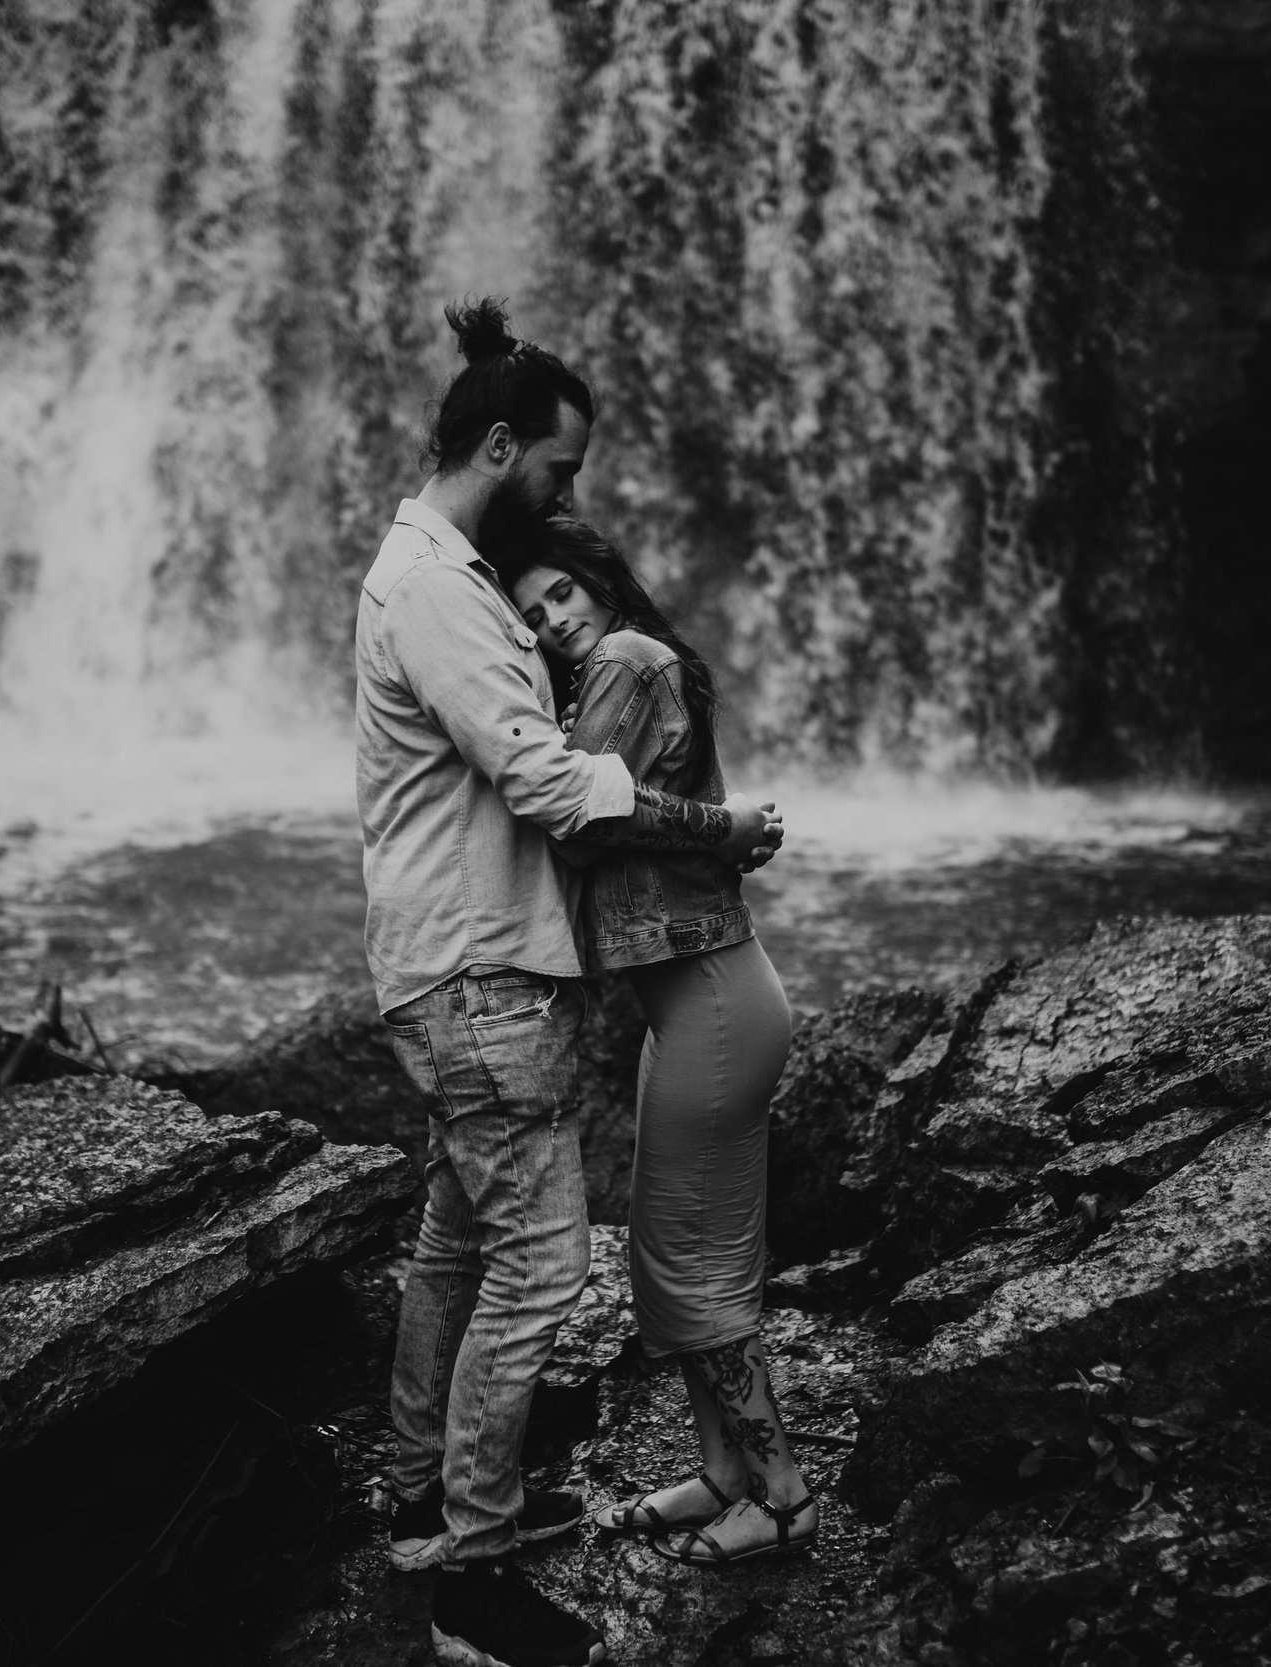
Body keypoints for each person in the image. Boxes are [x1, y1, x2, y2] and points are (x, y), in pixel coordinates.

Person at [355, 298, 781, 1667]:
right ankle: (470, 1570)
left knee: (458, 1240)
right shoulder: (438, 585)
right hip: (477, 973)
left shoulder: (440, 574)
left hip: (449, 961)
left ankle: (424, 1479)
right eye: (559, 470)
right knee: (538, 1263)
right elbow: (544, 777)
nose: (567, 501)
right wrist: (716, 825)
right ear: (498, 443)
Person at [496, 516, 816, 1568]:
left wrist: (718, 830)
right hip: (692, 1000)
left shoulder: (626, 659)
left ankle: (779, 1493)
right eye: (533, 611)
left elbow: (588, 811)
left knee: (692, 1265)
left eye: (560, 595)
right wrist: (721, 825)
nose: (550, 621)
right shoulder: (611, 670)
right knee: (674, 1253)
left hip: (712, 1001)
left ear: (597, 582)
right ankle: (723, 1471)